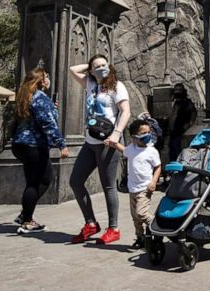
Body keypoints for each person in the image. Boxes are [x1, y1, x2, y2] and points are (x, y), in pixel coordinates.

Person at [67, 54, 130, 244]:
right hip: (90, 142)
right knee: (75, 181)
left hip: (107, 142)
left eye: (104, 65)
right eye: (98, 66)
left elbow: (126, 111)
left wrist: (116, 134)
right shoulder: (90, 84)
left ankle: (114, 228)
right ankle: (91, 223)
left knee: (108, 185)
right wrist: (90, 68)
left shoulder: (117, 86)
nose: (102, 68)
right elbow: (72, 70)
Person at [11, 68, 69, 234]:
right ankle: (27, 220)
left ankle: (25, 215)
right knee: (40, 181)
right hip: (34, 145)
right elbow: (48, 123)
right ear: (42, 81)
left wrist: (52, 108)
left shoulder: (25, 96)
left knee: (35, 181)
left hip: (20, 144)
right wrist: (61, 144)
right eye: (47, 77)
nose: (48, 79)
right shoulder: (40, 97)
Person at [110, 119, 162, 249]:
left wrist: (154, 181)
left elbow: (158, 167)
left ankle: (158, 225)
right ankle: (140, 238)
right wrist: (113, 143)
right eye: (144, 133)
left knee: (141, 213)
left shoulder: (151, 151)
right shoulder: (132, 149)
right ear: (134, 137)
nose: (147, 135)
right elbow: (123, 150)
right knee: (135, 218)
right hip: (132, 188)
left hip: (145, 188)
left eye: (148, 132)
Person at [166, 82, 196, 162]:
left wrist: (190, 123)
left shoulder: (187, 102)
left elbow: (193, 112)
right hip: (172, 131)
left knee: (178, 150)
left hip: (181, 130)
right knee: (172, 150)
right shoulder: (174, 102)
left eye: (179, 90)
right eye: (176, 90)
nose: (177, 92)